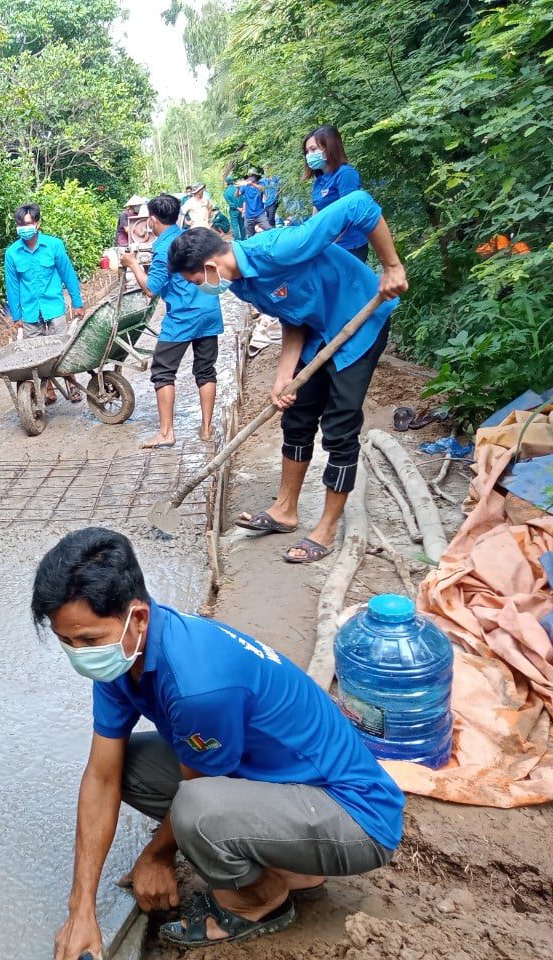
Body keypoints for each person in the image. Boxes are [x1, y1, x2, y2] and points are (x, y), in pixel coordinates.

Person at [38, 527, 405, 957]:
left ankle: (260, 900)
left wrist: (156, 857)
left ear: (136, 617)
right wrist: (80, 907)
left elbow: (196, 793)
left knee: (198, 811)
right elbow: (101, 777)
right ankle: (291, 863)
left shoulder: (198, 687)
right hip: (286, 785)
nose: (79, 654)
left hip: (358, 817)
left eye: (87, 641)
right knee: (128, 768)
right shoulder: (123, 654)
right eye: (67, 641)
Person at [168, 190, 408, 563]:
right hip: (316, 332)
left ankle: (327, 527)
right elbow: (292, 317)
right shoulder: (244, 285)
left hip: (360, 321)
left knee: (340, 425)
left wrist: (391, 266)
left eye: (195, 278)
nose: (200, 287)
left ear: (211, 265)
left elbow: (360, 204)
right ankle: (285, 509)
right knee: (296, 417)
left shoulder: (280, 247)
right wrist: (283, 376)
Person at [120, 194, 223, 448]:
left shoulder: (165, 247)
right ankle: (207, 428)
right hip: (209, 309)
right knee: (205, 369)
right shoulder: (191, 237)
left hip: (183, 315)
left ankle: (166, 433)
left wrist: (133, 264)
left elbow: (152, 288)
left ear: (153, 220)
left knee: (163, 371)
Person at [4, 203, 85, 404]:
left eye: (29, 223)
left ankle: (72, 384)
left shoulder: (54, 246)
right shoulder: (12, 253)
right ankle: (49, 391)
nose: (24, 227)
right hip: (30, 311)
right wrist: (16, 317)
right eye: (20, 224)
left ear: (38, 224)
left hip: (54, 306)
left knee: (61, 349)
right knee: (37, 356)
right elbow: (12, 287)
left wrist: (77, 303)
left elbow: (68, 275)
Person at [304, 125, 367, 262]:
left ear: (329, 147)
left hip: (349, 247)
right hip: (329, 246)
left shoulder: (345, 174)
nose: (309, 155)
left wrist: (327, 243)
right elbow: (317, 210)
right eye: (307, 152)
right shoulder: (319, 180)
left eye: (313, 149)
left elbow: (350, 214)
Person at [240, 170, 271, 235]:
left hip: (260, 213)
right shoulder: (245, 186)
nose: (250, 178)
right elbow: (238, 195)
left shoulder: (260, 184)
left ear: (255, 177)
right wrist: (237, 188)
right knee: (249, 233)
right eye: (249, 176)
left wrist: (252, 184)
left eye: (251, 176)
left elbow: (262, 189)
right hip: (249, 215)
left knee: (268, 229)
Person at [222, 175, 244, 240]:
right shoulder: (239, 188)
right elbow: (243, 198)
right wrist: (242, 208)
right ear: (233, 181)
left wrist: (237, 208)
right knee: (242, 225)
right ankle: (244, 239)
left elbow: (231, 204)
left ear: (227, 183)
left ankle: (237, 241)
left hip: (234, 211)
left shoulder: (226, 192)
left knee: (235, 226)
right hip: (242, 209)